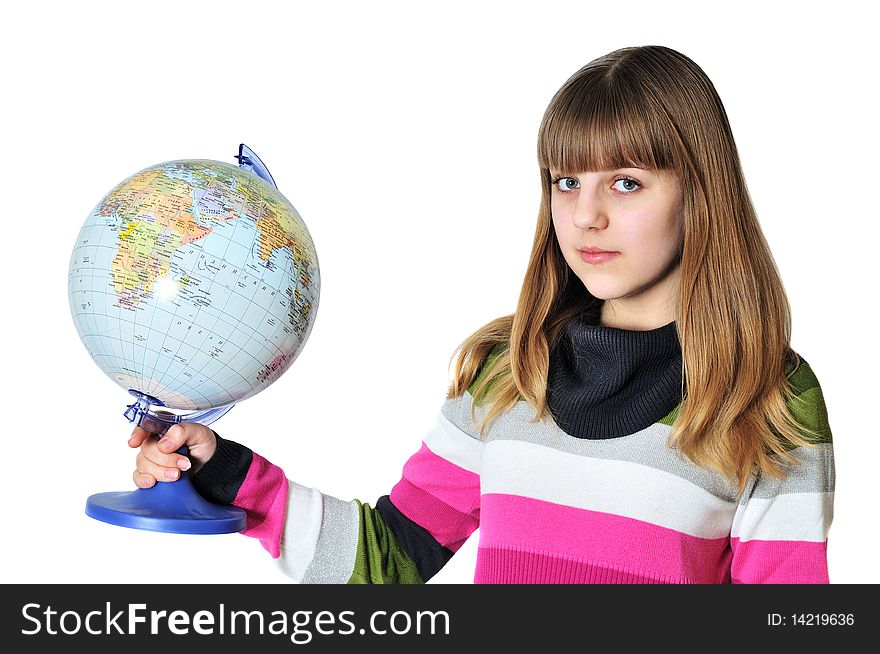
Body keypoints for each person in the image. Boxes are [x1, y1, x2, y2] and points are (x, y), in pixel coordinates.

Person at [129, 45, 834, 584]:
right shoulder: (508, 375)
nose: (586, 214)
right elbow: (391, 560)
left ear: (699, 191)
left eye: (627, 182)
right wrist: (225, 473)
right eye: (566, 180)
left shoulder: (768, 399)